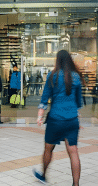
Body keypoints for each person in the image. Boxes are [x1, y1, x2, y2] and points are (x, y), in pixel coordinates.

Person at [33, 50, 82, 186]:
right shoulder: (76, 77)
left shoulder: (52, 75)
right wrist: (77, 116)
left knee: (48, 149)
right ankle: (76, 185)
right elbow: (78, 102)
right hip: (72, 120)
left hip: (55, 119)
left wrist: (39, 117)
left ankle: (43, 176)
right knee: (73, 152)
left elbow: (44, 99)